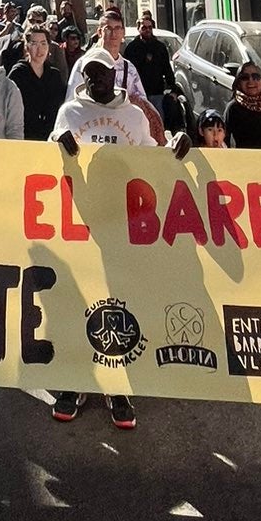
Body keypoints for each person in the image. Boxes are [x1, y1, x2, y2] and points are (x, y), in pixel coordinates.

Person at [48, 50, 191, 431]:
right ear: (83, 76)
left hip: (124, 221)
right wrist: (58, 142)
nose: (99, 81)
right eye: (90, 74)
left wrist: (174, 146)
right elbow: (47, 154)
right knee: (77, 296)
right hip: (80, 219)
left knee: (119, 299)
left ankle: (118, 385)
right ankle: (75, 379)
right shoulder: (71, 112)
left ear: (116, 75)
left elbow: (151, 157)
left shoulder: (132, 115)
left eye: (104, 74)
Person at [65, 9, 161, 136]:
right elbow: (71, 104)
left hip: (121, 133)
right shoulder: (84, 65)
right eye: (108, 28)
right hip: (89, 131)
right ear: (99, 32)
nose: (113, 33)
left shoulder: (129, 68)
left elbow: (142, 104)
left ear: (123, 32)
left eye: (117, 28)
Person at [9, 25, 67, 141]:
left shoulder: (54, 75)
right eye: (34, 44)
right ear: (27, 47)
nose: (39, 50)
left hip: (50, 137)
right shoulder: (18, 73)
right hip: (24, 136)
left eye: (43, 43)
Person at [123, 11, 177, 121]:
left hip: (157, 93)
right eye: (144, 28)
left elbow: (167, 69)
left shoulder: (160, 47)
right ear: (138, 29)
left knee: (157, 122)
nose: (147, 30)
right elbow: (127, 71)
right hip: (138, 94)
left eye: (150, 27)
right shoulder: (132, 48)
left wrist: (173, 89)